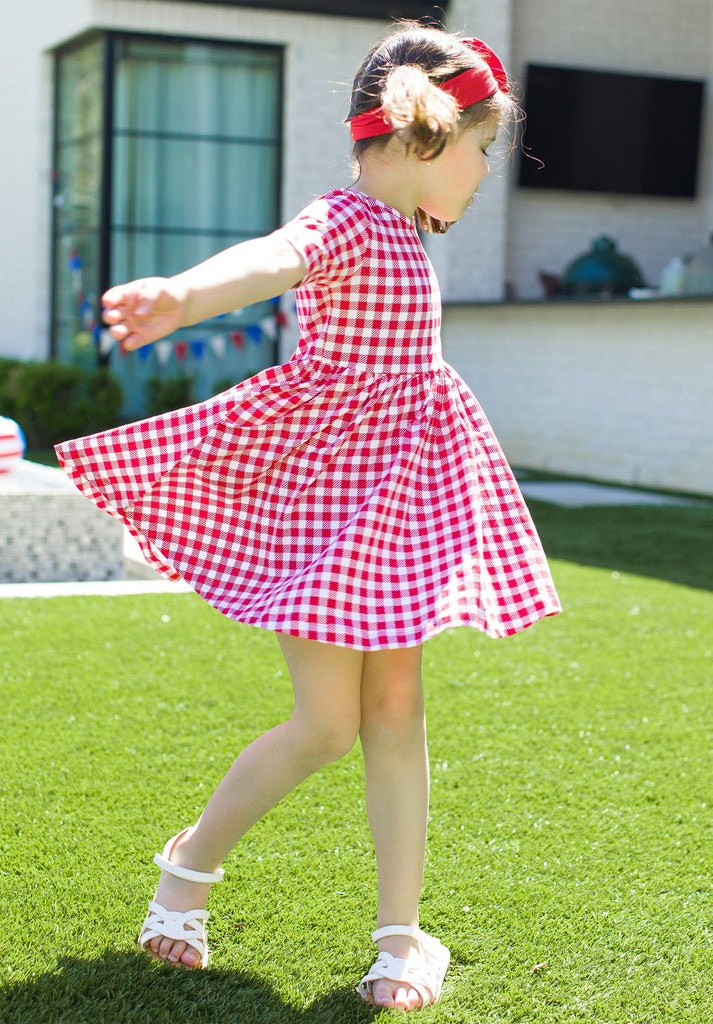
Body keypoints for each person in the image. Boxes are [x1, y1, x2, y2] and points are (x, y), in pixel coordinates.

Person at [55, 21, 561, 1012]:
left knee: (395, 709)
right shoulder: (344, 218)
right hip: (331, 510)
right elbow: (275, 256)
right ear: (427, 138)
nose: (484, 170)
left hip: (405, 507)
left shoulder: (411, 233)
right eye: (482, 149)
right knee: (326, 725)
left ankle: (401, 938)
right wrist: (182, 295)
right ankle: (188, 868)